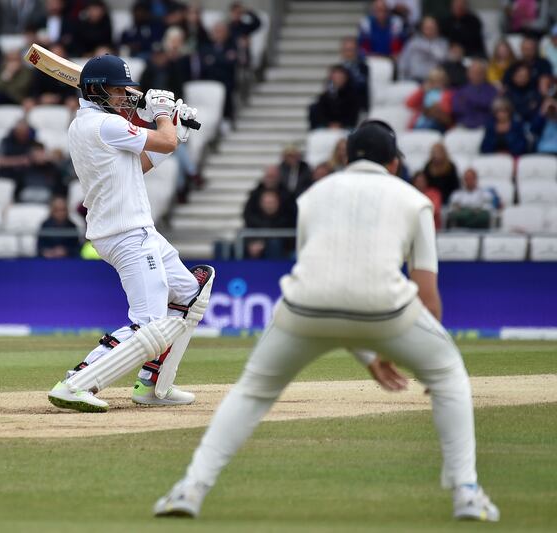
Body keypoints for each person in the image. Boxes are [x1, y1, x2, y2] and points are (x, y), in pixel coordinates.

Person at [153, 120, 500, 523]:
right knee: (449, 375)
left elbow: (323, 277)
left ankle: (190, 488)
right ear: (393, 163)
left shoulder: (313, 195)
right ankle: (467, 493)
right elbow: (426, 292)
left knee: (251, 392)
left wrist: (370, 355)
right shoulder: (414, 199)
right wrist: (399, 353)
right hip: (387, 311)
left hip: (304, 308)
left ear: (347, 157)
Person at [46, 54, 212, 413]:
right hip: (127, 233)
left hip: (135, 230)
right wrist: (165, 113)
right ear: (95, 90)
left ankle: (153, 385)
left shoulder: (95, 126)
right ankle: (77, 383)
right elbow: (163, 141)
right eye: (118, 91)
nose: (124, 97)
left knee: (189, 295)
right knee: (149, 325)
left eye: (125, 91)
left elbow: (141, 165)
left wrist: (176, 131)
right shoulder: (102, 125)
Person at [243, 189, 296, 259]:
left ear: (278, 203)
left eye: (272, 202)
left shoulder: (287, 218)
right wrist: (251, 245)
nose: (269, 205)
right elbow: (246, 238)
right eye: (267, 202)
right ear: (261, 203)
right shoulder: (253, 220)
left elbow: (291, 242)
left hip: (284, 255)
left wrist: (263, 243)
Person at [309, 65, 360, 130]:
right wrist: (329, 124)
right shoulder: (326, 96)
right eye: (335, 77)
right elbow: (321, 113)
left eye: (340, 77)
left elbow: (353, 116)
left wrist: (340, 124)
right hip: (326, 126)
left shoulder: (353, 95)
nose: (338, 79)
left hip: (346, 127)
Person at [398, 16, 448, 82]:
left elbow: (443, 58)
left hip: (434, 81)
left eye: (432, 27)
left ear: (437, 28)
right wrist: (402, 79)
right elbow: (403, 61)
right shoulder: (413, 42)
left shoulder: (442, 43)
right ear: (422, 28)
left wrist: (429, 46)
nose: (429, 30)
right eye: (427, 27)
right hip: (413, 79)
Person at [451, 60, 497, 129]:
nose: (476, 75)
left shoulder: (492, 89)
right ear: (468, 74)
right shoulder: (460, 91)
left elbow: (492, 106)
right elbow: (457, 109)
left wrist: (470, 102)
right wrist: (479, 104)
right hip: (464, 126)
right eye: (473, 72)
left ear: (484, 74)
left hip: (486, 126)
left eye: (479, 72)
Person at [406, 67, 452, 131]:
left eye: (439, 80)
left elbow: (448, 112)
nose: (436, 83)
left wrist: (438, 109)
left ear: (444, 81)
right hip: (421, 123)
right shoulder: (425, 92)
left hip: (438, 123)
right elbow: (409, 103)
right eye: (432, 80)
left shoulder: (448, 94)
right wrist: (422, 90)